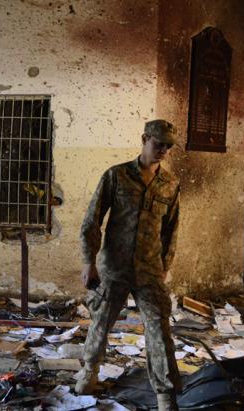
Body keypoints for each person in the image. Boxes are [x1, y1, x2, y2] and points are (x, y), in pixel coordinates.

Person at [77, 119, 181, 411]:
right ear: (145, 138)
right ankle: (89, 372)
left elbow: (171, 229)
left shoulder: (170, 184)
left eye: (168, 146)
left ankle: (165, 394)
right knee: (101, 323)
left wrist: (164, 266)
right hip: (114, 267)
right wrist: (89, 261)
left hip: (149, 270)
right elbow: (91, 220)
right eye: (158, 143)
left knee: (159, 332)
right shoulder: (117, 176)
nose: (162, 150)